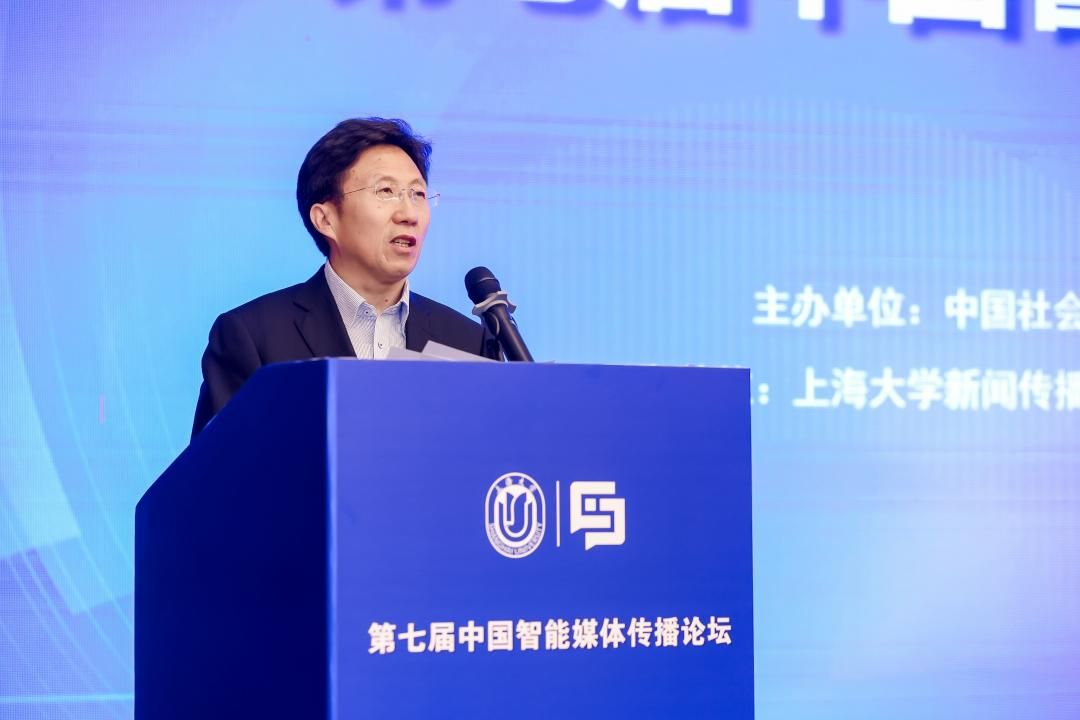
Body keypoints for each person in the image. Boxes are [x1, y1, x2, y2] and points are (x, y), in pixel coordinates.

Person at [191, 118, 499, 438]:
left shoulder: (466, 342)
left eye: (418, 194)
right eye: (386, 191)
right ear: (325, 219)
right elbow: (216, 467)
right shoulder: (252, 336)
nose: (409, 214)